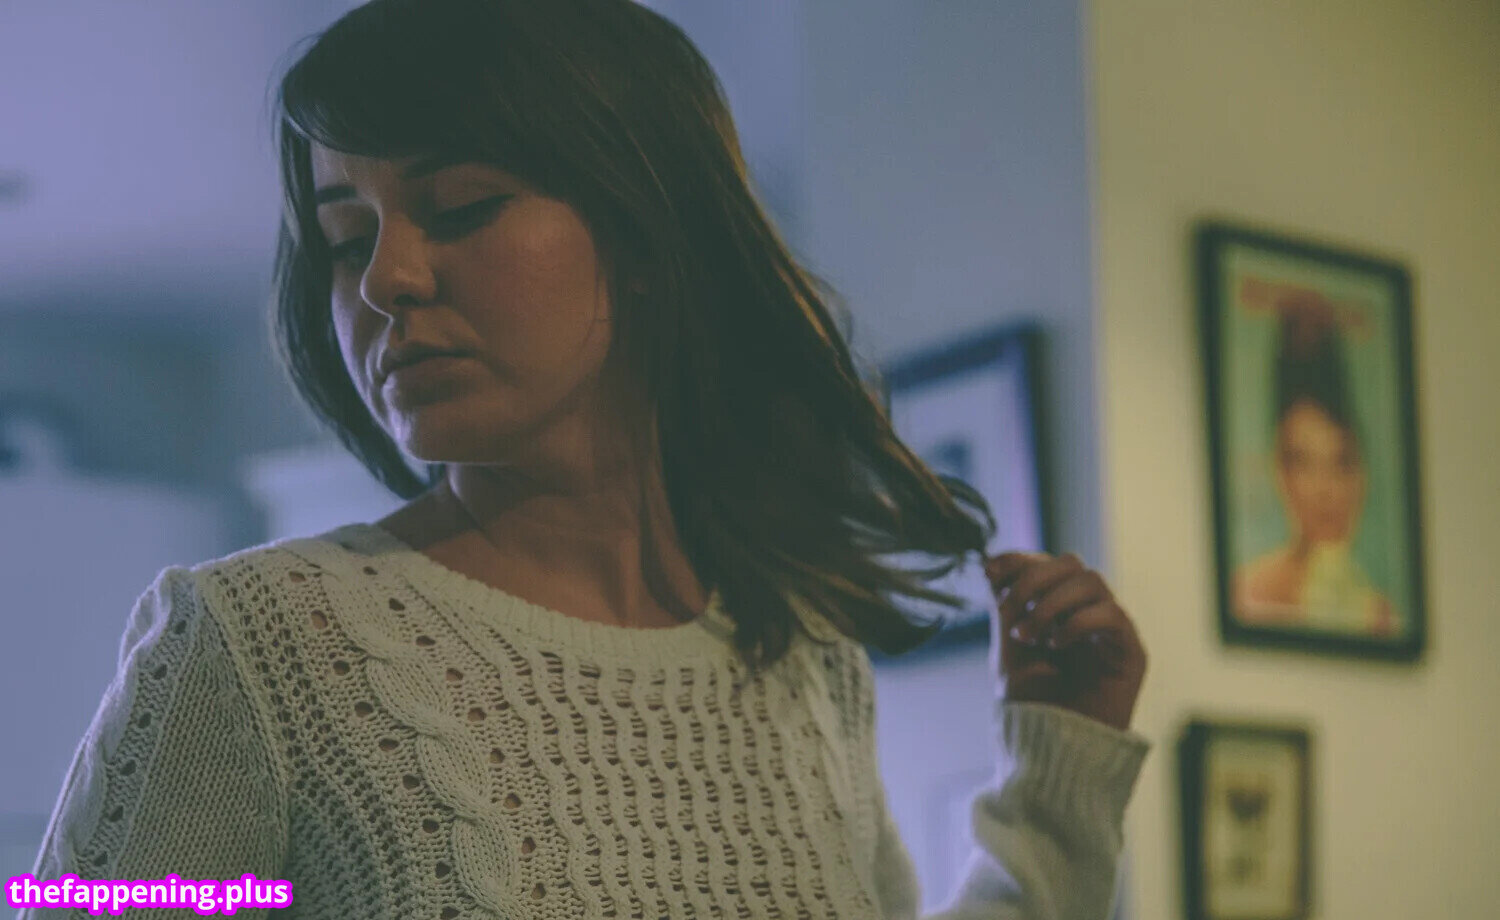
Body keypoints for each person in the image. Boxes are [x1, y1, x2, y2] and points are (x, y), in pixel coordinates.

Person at [18, 1, 1149, 917]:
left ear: (649, 230)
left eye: (462, 207)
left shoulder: (805, 656)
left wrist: (1062, 772)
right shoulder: (264, 645)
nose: (387, 279)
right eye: (346, 239)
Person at [1233, 292, 1398, 636]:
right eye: (1304, 463)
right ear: (1280, 471)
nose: (1326, 491)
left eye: (1342, 463)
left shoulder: (1381, 615)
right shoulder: (1249, 592)